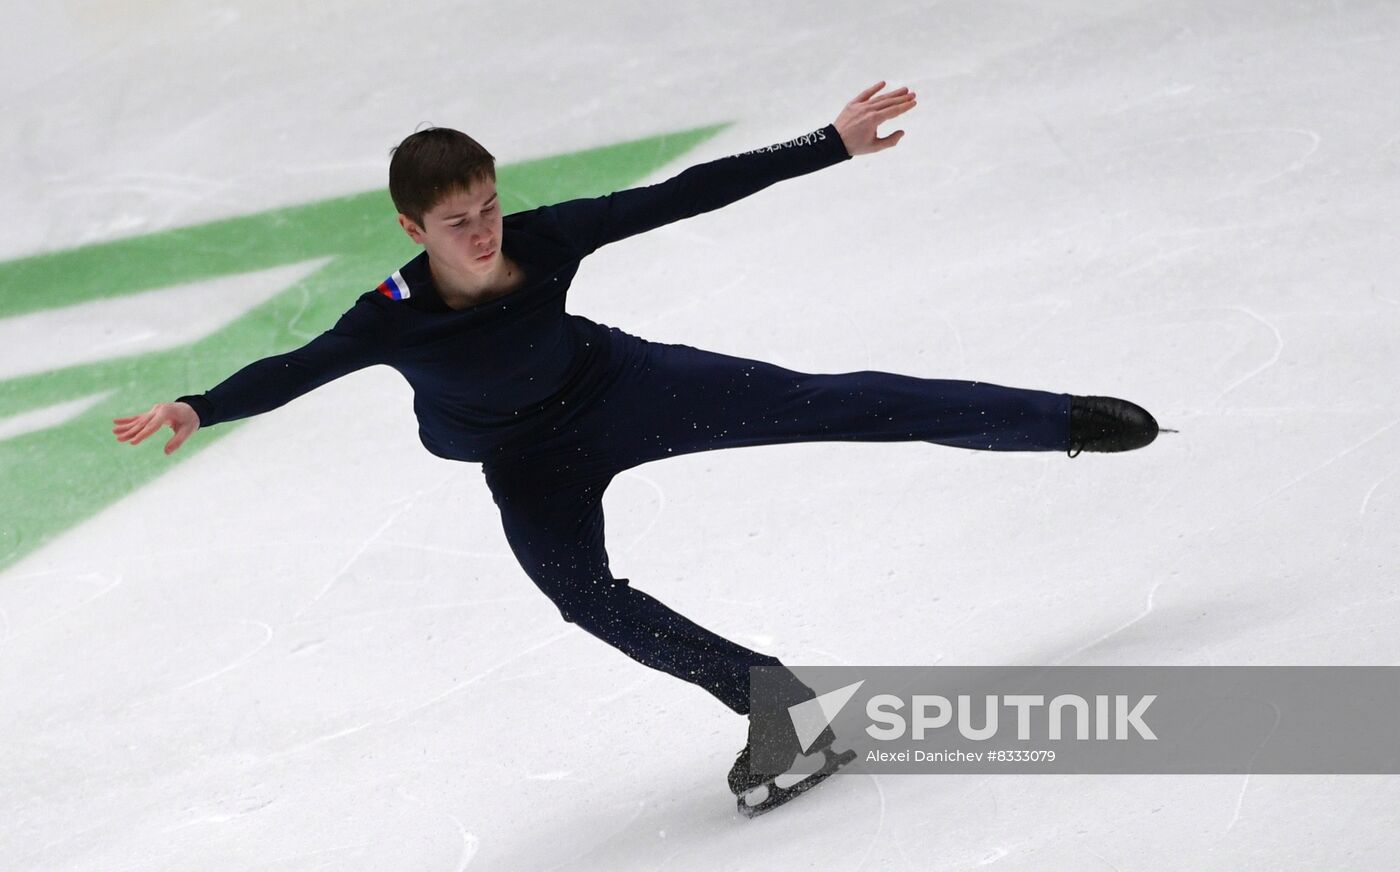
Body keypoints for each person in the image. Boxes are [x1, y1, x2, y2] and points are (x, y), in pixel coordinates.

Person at [112, 81, 1158, 811]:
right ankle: (771, 699)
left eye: (487, 206)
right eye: (456, 221)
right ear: (409, 228)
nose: (482, 232)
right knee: (580, 593)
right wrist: (199, 405)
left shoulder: (543, 236)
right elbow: (300, 365)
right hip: (528, 462)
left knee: (832, 400)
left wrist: (825, 143)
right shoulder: (388, 314)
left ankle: (1058, 420)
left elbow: (677, 194)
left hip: (622, 389)